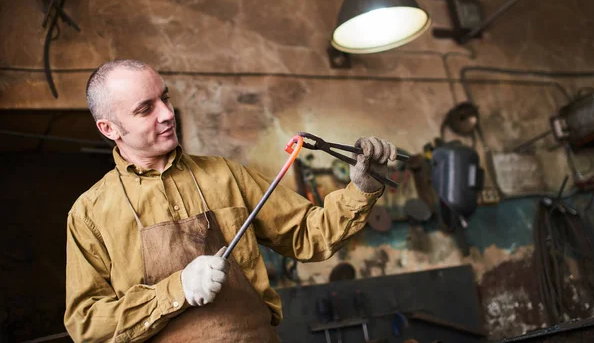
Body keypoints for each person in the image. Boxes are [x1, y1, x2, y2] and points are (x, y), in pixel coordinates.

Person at [64, 59, 398, 342]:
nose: (167, 113)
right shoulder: (90, 213)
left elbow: (309, 235)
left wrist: (362, 187)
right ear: (109, 129)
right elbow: (87, 322)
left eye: (165, 98)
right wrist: (176, 289)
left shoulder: (225, 175)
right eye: (145, 109)